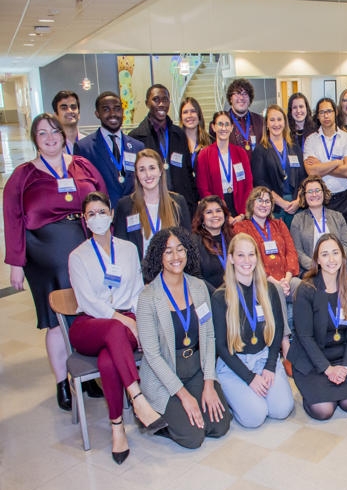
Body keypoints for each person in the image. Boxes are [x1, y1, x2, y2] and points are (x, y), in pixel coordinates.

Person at [3, 113, 106, 411]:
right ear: (34, 140)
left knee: (88, 313)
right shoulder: (23, 175)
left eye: (54, 131)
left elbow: (101, 200)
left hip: (84, 247)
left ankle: (86, 376)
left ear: (63, 134)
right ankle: (63, 382)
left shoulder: (82, 166)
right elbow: (12, 219)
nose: (50, 138)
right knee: (57, 320)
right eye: (42, 133)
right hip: (46, 254)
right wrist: (15, 263)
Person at [67, 191, 166, 464]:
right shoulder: (77, 256)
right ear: (84, 220)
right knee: (113, 331)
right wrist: (122, 320)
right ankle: (138, 398)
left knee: (109, 360)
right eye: (91, 214)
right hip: (90, 323)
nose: (97, 218)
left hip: (126, 321)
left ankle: (117, 428)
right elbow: (87, 300)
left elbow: (136, 290)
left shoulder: (128, 249)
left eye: (102, 212)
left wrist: (136, 319)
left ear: (111, 214)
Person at [137, 227, 231, 448]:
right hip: (165, 374)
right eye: (168, 251)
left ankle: (187, 411)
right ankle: (154, 419)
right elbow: (152, 355)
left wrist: (209, 383)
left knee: (219, 426)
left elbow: (209, 336)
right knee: (193, 437)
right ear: (159, 256)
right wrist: (184, 396)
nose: (176, 256)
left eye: (180, 249)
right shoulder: (148, 297)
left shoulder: (198, 287)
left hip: (196, 368)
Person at [212, 233, 294, 427]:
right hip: (235, 363)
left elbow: (277, 330)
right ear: (231, 258)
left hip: (263, 357)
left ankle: (254, 394)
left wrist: (270, 366)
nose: (247, 261)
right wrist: (249, 378)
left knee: (281, 410)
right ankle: (234, 396)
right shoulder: (220, 297)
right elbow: (221, 346)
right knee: (255, 417)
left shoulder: (269, 290)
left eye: (251, 254)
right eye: (240, 255)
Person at [287, 234, 347, 420]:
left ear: (342, 256)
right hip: (311, 360)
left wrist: (346, 366)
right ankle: (315, 392)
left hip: (341, 356)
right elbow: (305, 337)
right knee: (324, 411)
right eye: (325, 254)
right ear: (317, 260)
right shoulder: (306, 290)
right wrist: (328, 369)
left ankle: (334, 389)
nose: (331, 259)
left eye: (335, 253)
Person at [113, 148, 192, 260]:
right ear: (137, 174)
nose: (148, 174)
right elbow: (121, 247)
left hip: (173, 267)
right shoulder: (125, 206)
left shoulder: (178, 202)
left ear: (160, 171)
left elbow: (188, 244)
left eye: (152, 168)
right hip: (140, 269)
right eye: (142, 170)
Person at [128, 84, 196, 211]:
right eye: (156, 99)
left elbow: (187, 172)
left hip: (180, 204)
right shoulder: (136, 138)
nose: (161, 104)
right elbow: (134, 177)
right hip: (151, 206)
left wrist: (192, 204)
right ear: (147, 103)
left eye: (165, 100)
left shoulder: (179, 134)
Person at [74, 91, 144, 207]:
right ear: (97, 114)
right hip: (103, 213)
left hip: (134, 211)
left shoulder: (138, 146)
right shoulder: (84, 148)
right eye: (106, 109)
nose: (113, 114)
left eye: (117, 109)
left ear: (122, 111)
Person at [233, 187, 301, 299]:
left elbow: (291, 252)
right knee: (276, 292)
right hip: (261, 280)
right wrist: (276, 283)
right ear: (251, 203)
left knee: (303, 288)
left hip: (286, 279)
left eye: (267, 201)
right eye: (260, 200)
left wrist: (287, 279)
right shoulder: (242, 228)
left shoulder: (279, 224)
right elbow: (248, 260)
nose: (264, 205)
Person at [303, 98, 347, 228]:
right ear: (317, 116)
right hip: (319, 200)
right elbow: (311, 172)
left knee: (344, 237)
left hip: (343, 200)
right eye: (322, 112)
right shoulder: (310, 140)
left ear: (335, 112)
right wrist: (337, 162)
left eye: (329, 111)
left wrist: (321, 165)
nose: (326, 116)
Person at [250, 104, 305, 226]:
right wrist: (281, 202)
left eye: (279, 119)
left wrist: (298, 201)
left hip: (296, 206)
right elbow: (260, 182)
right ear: (266, 124)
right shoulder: (260, 150)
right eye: (272, 120)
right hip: (274, 207)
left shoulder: (294, 148)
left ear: (285, 123)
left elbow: (303, 178)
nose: (276, 124)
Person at [195, 111, 253, 219]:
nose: (224, 128)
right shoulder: (204, 154)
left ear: (231, 127)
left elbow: (248, 184)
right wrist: (219, 210)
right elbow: (203, 188)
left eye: (227, 124)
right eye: (220, 124)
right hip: (216, 209)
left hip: (240, 208)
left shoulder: (241, 153)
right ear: (213, 127)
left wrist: (243, 214)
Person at [291, 177, 347, 274]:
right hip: (311, 271)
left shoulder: (338, 217)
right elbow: (298, 251)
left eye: (317, 190)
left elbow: (346, 245)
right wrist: (316, 266)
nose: (314, 194)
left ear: (324, 192)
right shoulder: (298, 220)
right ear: (304, 195)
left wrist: (335, 263)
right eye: (310, 191)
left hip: (336, 268)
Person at [192, 195, 234, 291]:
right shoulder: (194, 242)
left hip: (236, 293)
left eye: (218, 211)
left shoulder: (232, 238)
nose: (215, 215)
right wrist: (218, 295)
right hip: (210, 295)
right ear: (201, 218)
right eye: (209, 212)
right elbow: (195, 277)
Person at [226, 78, 265, 152]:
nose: (241, 98)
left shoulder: (261, 121)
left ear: (250, 99)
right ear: (230, 98)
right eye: (237, 93)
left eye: (245, 94)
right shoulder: (221, 123)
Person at [179, 96, 211, 170]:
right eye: (185, 112)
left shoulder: (210, 142)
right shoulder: (175, 142)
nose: (189, 115)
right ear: (181, 117)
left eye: (193, 111)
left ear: (199, 115)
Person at [52, 90, 82, 155]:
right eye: (64, 108)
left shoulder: (89, 143)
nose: (70, 111)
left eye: (73, 107)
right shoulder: (52, 145)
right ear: (56, 115)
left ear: (79, 114)